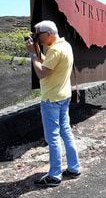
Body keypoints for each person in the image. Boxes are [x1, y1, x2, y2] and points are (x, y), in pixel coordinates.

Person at [25, 20, 81, 187]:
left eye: (39, 35)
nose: (37, 38)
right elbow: (47, 63)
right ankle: (73, 167)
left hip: (52, 99)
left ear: (48, 34)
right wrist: (36, 50)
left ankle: (54, 176)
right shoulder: (64, 46)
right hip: (63, 96)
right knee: (66, 132)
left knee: (53, 138)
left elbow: (42, 72)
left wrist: (32, 55)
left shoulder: (55, 50)